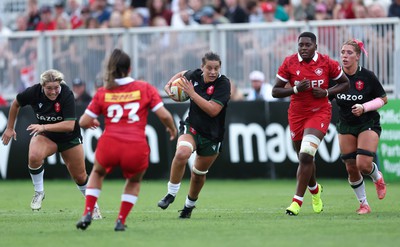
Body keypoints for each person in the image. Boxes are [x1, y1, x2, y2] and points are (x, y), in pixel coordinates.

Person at [75, 48, 177, 231]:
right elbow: (164, 115)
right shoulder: (144, 88)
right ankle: (120, 220)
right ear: (129, 69)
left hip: (109, 144)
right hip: (135, 145)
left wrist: (93, 121)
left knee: (97, 173)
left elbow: (83, 121)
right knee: (134, 181)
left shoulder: (103, 92)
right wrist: (171, 128)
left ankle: (88, 212)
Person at [0, 69, 101, 219]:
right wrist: (9, 128)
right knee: (34, 156)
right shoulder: (33, 92)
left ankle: (93, 207)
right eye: (49, 88)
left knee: (80, 177)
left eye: (56, 87)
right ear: (42, 86)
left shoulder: (66, 94)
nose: (53, 92)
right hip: (47, 136)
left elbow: (69, 125)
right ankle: (39, 192)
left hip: (69, 138)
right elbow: (15, 104)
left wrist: (43, 126)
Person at [272, 32, 350, 216]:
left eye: (308, 45)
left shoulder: (326, 62)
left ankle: (296, 202)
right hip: (297, 115)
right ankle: (315, 190)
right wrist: (295, 89)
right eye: (301, 45)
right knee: (304, 157)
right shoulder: (289, 62)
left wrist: (327, 93)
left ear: (315, 46)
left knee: (307, 154)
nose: (304, 48)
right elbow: (275, 91)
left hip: (319, 112)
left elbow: (345, 83)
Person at [157, 51, 231, 218]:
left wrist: (192, 94)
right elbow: (182, 73)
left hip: (212, 135)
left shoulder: (223, 84)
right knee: (182, 153)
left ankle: (188, 207)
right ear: (202, 68)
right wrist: (169, 84)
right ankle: (171, 193)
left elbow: (213, 110)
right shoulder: (195, 76)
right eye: (209, 68)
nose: (212, 72)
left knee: (198, 175)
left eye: (216, 68)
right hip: (192, 127)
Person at [333, 39, 387, 214]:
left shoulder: (367, 76)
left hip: (367, 122)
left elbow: (383, 99)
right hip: (346, 124)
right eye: (342, 52)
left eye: (349, 53)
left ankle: (377, 177)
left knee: (363, 165)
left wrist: (364, 107)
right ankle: (364, 204)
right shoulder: (335, 77)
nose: (345, 56)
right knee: (351, 166)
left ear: (357, 56)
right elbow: (325, 98)